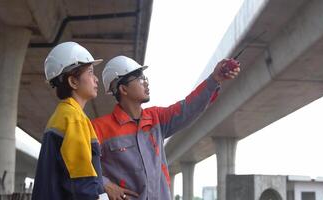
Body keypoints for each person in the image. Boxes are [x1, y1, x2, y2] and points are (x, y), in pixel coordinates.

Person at [92, 55, 240, 200]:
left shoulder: (156, 118)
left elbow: (188, 108)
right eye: (139, 78)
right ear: (123, 89)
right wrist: (104, 183)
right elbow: (79, 163)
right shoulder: (99, 128)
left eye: (145, 78)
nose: (146, 83)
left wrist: (214, 79)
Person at [32, 42, 108, 200]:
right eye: (90, 72)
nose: (96, 79)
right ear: (73, 82)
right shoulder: (74, 119)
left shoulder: (63, 115)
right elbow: (81, 183)